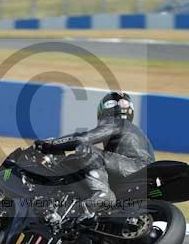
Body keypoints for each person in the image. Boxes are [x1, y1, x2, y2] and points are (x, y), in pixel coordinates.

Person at [34, 92, 155, 225]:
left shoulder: (117, 123)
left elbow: (82, 139)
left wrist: (50, 144)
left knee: (84, 149)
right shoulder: (136, 132)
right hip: (139, 174)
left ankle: (102, 194)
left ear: (103, 110)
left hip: (133, 167)